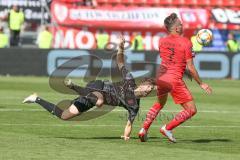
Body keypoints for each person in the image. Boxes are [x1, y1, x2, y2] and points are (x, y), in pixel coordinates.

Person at [23, 37, 156, 141]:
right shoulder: (129, 80)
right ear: (142, 84)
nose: (148, 91)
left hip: (91, 98)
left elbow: (129, 125)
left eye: (150, 90)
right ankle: (73, 86)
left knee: (64, 116)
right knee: (99, 102)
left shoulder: (134, 107)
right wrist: (121, 47)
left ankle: (36, 98)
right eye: (148, 87)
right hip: (98, 87)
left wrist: (126, 136)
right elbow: (120, 62)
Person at [138, 13, 212, 143]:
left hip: (161, 76)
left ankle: (143, 129)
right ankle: (167, 128)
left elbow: (170, 58)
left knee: (159, 103)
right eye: (181, 24)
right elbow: (190, 67)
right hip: (174, 79)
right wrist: (201, 83)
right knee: (191, 110)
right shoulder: (186, 43)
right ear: (177, 28)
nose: (183, 26)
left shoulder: (161, 41)